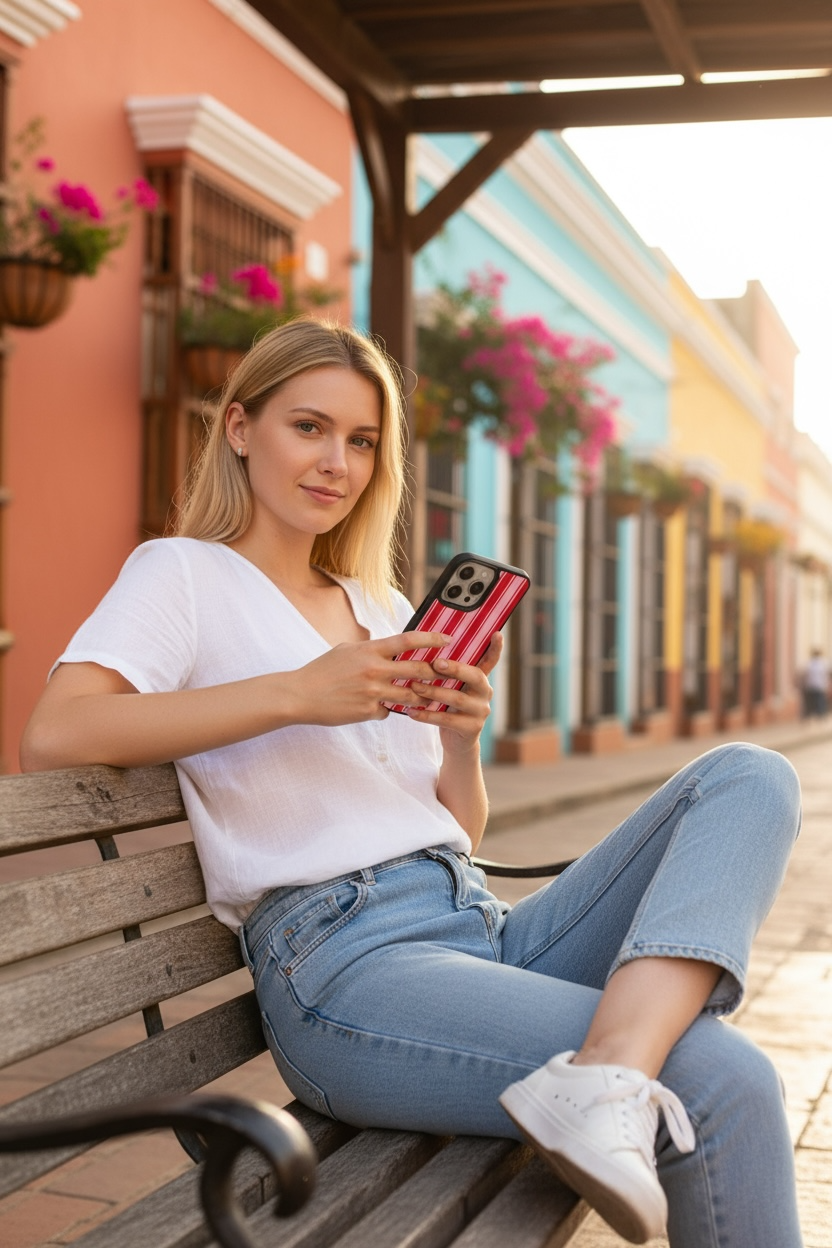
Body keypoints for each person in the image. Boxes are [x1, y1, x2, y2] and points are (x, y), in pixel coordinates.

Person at [22, 318, 803, 1247]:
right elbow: (55, 734)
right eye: (307, 427)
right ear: (239, 427)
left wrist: (461, 743)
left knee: (750, 777)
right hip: (346, 973)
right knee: (725, 1079)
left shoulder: (381, 608)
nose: (336, 463)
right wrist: (297, 693)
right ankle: (613, 1080)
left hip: (477, 929)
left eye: (361, 441)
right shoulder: (184, 575)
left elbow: (454, 835)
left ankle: (608, 1073)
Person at [802, 648, 829, 719]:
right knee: (819, 702)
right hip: (819, 685)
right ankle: (820, 716)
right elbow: (825, 675)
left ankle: (813, 715)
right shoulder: (822, 663)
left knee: (813, 702)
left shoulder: (809, 663)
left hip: (811, 685)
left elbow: (806, 675)